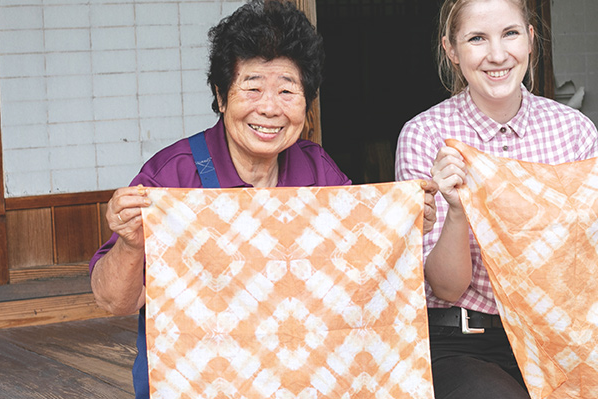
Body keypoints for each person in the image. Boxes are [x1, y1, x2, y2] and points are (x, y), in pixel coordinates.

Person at [89, 1, 435, 397]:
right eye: (252, 88)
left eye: (287, 91)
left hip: (304, 383)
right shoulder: (173, 177)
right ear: (221, 96)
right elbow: (114, 301)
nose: (269, 108)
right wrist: (131, 243)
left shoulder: (318, 171)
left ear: (307, 103)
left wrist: (403, 223)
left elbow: (360, 272)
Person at [395, 0, 598, 397]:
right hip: (464, 342)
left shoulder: (573, 131)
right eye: (477, 38)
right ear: (452, 49)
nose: (497, 54)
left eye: (510, 34)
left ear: (530, 40)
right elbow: (446, 288)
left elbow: (594, 261)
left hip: (557, 339)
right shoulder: (425, 136)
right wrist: (458, 211)